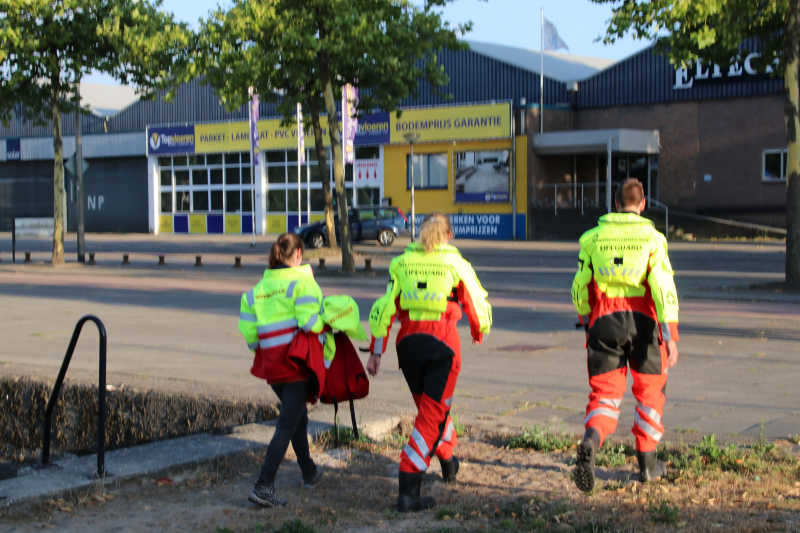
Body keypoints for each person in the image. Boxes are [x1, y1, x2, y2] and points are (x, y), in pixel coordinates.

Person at [367, 212, 492, 512]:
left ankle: (448, 463)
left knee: (430, 411)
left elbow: (385, 307)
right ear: (448, 235)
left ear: (420, 232)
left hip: (408, 345)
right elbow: (477, 301)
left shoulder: (401, 263)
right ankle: (408, 489)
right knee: (431, 417)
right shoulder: (456, 263)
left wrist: (376, 351)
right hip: (442, 345)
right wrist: (479, 330)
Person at [571, 178, 680, 493]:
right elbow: (663, 288)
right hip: (644, 322)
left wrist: (587, 321)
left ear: (616, 204)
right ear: (643, 204)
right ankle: (648, 465)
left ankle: (591, 441)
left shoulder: (592, 239)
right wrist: (670, 335)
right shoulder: (653, 239)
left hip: (604, 321)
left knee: (604, 394)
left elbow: (580, 286)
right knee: (650, 392)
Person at [238, 233, 325, 507]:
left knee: (297, 418)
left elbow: (251, 337)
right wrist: (329, 323)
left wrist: (269, 348)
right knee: (287, 423)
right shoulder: (302, 283)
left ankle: (309, 472)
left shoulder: (255, 291)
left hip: (273, 366)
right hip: (297, 362)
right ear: (298, 254)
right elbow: (310, 323)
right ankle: (264, 485)